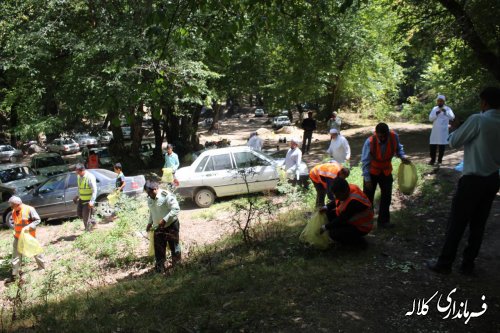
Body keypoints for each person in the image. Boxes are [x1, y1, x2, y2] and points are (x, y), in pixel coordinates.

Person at [427, 87, 500, 275]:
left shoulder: (478, 119)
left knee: (457, 222)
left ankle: (445, 262)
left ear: (484, 102)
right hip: (492, 179)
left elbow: (454, 141)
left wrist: (457, 128)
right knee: (479, 224)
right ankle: (468, 264)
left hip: (472, 180)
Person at [361, 123, 410, 228]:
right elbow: (365, 162)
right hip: (372, 172)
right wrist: (367, 179)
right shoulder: (370, 141)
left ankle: (383, 222)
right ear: (376, 133)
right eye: (380, 136)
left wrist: (402, 156)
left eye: (385, 136)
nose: (383, 138)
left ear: (388, 133)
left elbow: (399, 149)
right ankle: (366, 221)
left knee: (386, 197)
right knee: (367, 198)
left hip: (386, 171)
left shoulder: (393, 137)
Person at [319, 178, 374, 247]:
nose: (337, 197)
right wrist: (326, 207)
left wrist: (325, 227)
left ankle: (359, 242)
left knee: (333, 233)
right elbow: (337, 201)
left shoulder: (354, 201)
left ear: (345, 191)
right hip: (352, 221)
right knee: (328, 215)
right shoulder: (347, 189)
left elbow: (342, 218)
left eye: (338, 195)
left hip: (361, 227)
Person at [5, 196, 45, 283]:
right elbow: (16, 223)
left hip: (28, 236)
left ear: (17, 204)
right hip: (17, 237)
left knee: (35, 251)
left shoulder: (29, 209)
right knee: (15, 256)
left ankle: (42, 268)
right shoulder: (13, 211)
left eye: (11, 205)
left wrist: (28, 227)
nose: (10, 207)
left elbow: (37, 220)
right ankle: (14, 275)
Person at [144, 180, 181, 272]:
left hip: (171, 225)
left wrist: (165, 220)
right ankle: (160, 268)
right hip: (158, 227)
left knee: (174, 246)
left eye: (150, 192)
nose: (149, 195)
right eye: (147, 193)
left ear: (155, 189)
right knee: (159, 248)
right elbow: (152, 212)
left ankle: (177, 266)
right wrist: (149, 223)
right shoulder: (150, 198)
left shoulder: (166, 196)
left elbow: (176, 209)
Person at [429, 95, 455, 165]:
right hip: (435, 130)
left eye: (441, 101)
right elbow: (430, 118)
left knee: (442, 146)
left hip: (443, 130)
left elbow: (452, 117)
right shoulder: (434, 109)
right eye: (438, 101)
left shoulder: (448, 108)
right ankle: (432, 160)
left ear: (444, 102)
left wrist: (446, 112)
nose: (440, 102)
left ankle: (439, 161)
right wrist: (436, 114)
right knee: (432, 145)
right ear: (437, 102)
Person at [74, 163, 98, 232]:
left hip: (88, 200)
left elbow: (94, 190)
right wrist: (76, 196)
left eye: (77, 171)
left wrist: (92, 202)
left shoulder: (90, 177)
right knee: (79, 213)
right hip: (81, 199)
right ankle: (93, 222)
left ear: (82, 170)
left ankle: (88, 232)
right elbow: (79, 188)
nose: (76, 172)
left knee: (85, 217)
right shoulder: (78, 176)